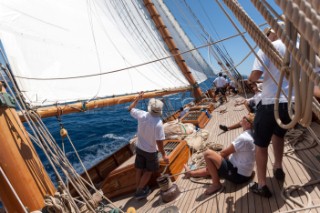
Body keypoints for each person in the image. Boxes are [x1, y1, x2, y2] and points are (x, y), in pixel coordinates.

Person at [248, 23, 291, 198]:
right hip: (289, 106)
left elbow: (255, 75)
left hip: (269, 105)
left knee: (260, 145)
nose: (266, 38)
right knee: (278, 135)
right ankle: (278, 166)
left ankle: (262, 184)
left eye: (267, 35)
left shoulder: (268, 48)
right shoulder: (296, 50)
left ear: (272, 34)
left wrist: (251, 80)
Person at [184, 113, 255, 195]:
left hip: (239, 176)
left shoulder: (243, 138)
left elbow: (224, 153)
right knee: (215, 162)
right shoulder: (252, 134)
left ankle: (216, 184)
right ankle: (191, 173)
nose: (242, 117)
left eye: (244, 117)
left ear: (248, 124)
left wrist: (211, 163)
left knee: (207, 154)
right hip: (246, 173)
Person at [128, 92, 169, 199]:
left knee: (139, 169)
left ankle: (139, 187)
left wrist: (137, 98)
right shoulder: (158, 123)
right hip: (150, 151)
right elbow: (159, 142)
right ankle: (139, 191)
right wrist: (164, 155)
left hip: (139, 148)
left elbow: (130, 108)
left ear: (149, 108)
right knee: (149, 171)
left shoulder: (142, 114)